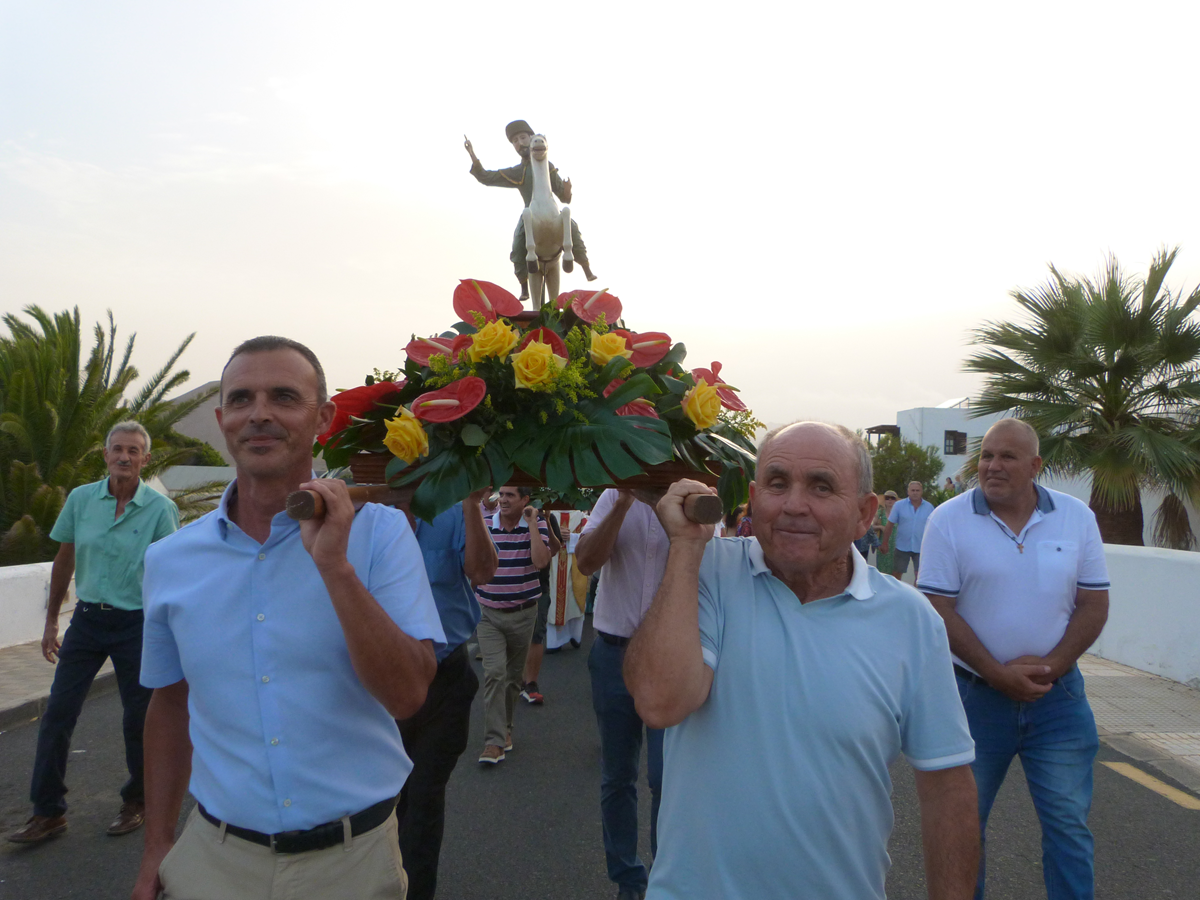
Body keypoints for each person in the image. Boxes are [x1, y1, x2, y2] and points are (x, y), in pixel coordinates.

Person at [132, 336, 445, 900]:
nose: (261, 414)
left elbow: (408, 695)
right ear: (223, 417)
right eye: (243, 399)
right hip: (215, 861)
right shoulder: (169, 560)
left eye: (283, 396)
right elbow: (170, 703)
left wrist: (335, 568)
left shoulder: (378, 534)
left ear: (322, 417)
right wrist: (157, 844)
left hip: (352, 863)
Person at [624, 422, 979, 900]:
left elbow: (947, 787)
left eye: (821, 486)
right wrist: (686, 548)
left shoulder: (910, 619)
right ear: (752, 498)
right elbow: (660, 702)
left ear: (864, 513)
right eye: (776, 482)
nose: (793, 504)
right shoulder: (710, 570)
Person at [918, 418, 1110, 900]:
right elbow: (937, 609)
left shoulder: (1076, 516)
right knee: (965, 827)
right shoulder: (948, 518)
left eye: (1006, 456)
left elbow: (1093, 602)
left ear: (1035, 465)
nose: (992, 466)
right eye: (986, 456)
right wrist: (998, 674)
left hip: (1058, 699)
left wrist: (1051, 668)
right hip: (975, 698)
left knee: (1068, 827)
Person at [7, 423, 179, 845]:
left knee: (138, 720)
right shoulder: (82, 500)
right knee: (57, 714)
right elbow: (64, 560)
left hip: (136, 625)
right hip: (86, 621)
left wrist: (171, 633)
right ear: (105, 455)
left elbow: (171, 574)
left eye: (133, 451)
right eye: (117, 449)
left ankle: (136, 801)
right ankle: (48, 812)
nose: (124, 456)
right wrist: (50, 622)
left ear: (145, 459)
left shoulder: (159, 509)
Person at [574, 488, 716, 900]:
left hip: (670, 658)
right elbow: (585, 561)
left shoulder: (694, 497)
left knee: (664, 775)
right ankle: (627, 879)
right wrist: (622, 501)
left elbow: (711, 563)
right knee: (617, 775)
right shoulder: (612, 497)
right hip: (613, 653)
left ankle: (665, 875)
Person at [394, 490, 498, 900]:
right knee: (379, 801)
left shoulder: (453, 509)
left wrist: (472, 506)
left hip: (445, 677)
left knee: (422, 800)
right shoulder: (364, 511)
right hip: (380, 683)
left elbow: (484, 573)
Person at [464, 119, 597, 300]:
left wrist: (567, 190)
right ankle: (523, 284)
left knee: (571, 226)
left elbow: (564, 198)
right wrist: (473, 155)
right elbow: (487, 177)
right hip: (530, 214)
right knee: (518, 241)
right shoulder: (518, 172)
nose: (519, 143)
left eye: (522, 137)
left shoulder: (548, 167)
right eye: (515, 141)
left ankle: (585, 266)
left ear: (532, 138)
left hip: (552, 211)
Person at [474, 484, 551, 764]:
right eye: (501, 494)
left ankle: (505, 728)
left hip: (523, 613)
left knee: (512, 678)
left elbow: (541, 561)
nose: (503, 500)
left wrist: (532, 524)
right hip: (488, 613)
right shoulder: (485, 523)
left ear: (525, 500)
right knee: (494, 672)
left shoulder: (536, 523)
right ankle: (493, 741)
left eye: (510, 495)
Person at [521, 508, 564, 704]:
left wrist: (545, 520)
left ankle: (530, 683)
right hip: (510, 587)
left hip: (539, 586)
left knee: (536, 635)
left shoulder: (547, 517)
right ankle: (514, 681)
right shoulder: (500, 518)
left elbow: (555, 549)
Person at [882, 480, 934, 581]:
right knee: (897, 574)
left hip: (921, 547)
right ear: (908, 492)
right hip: (902, 546)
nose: (915, 492)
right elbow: (889, 525)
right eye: (913, 490)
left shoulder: (929, 507)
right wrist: (885, 542)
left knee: (920, 575)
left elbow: (933, 529)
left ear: (921, 491)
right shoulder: (899, 505)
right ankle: (896, 594)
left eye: (917, 490)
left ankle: (917, 595)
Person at [874, 490, 898, 574]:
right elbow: (871, 527)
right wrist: (880, 527)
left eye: (892, 498)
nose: (890, 500)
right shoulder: (880, 512)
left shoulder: (899, 513)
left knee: (894, 569)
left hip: (896, 544)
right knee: (882, 568)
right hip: (883, 543)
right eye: (887, 498)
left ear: (896, 501)